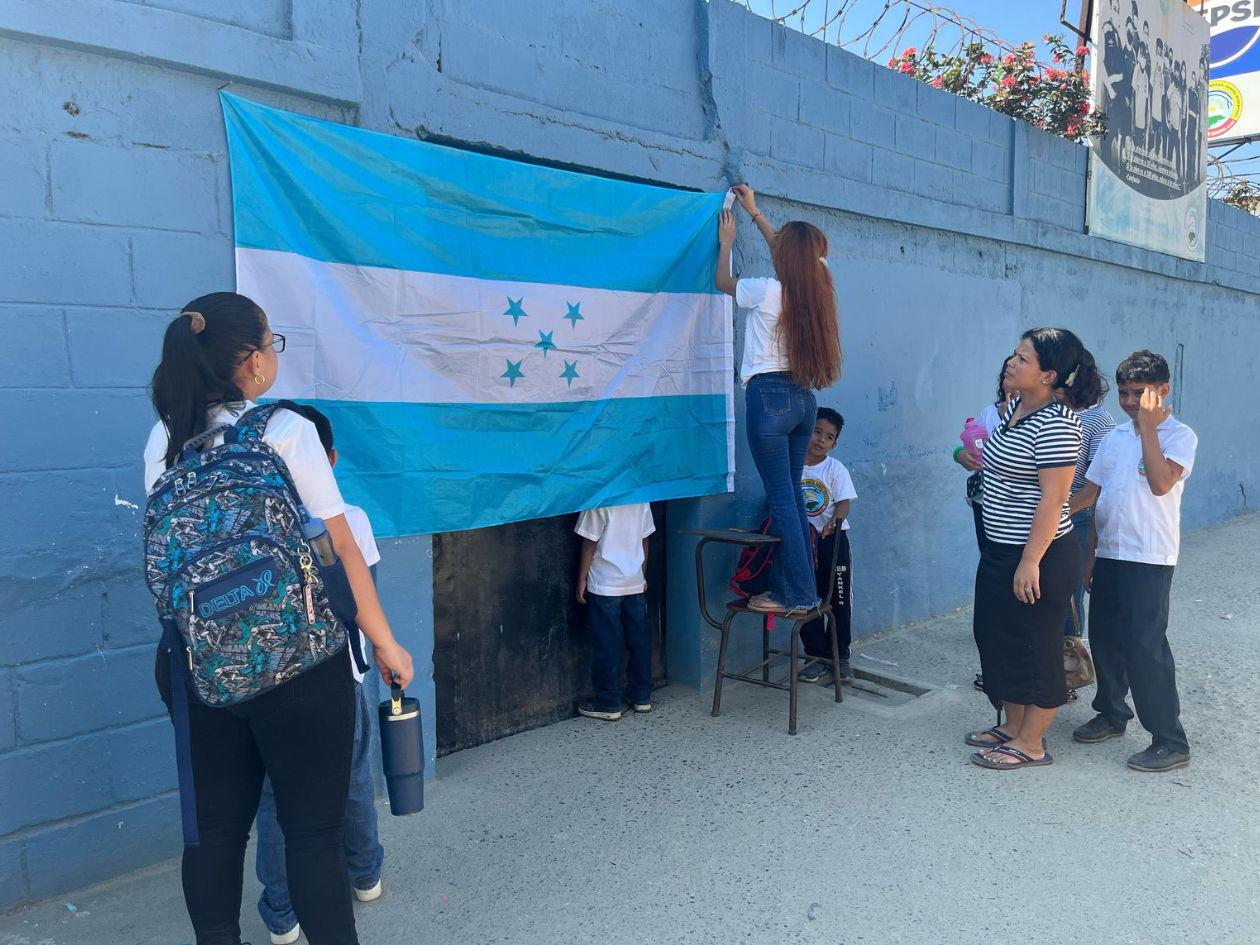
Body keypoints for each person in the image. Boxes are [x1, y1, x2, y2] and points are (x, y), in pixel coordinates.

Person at [145, 292, 413, 945]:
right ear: (252, 361)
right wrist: (385, 643)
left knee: (212, 836)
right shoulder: (286, 431)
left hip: (199, 666)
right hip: (300, 664)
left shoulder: (162, 439)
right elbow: (344, 549)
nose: (274, 355)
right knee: (313, 837)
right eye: (272, 343)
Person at [253, 405, 385, 945]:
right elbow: (362, 598)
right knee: (353, 777)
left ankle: (282, 914)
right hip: (343, 676)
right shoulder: (349, 519)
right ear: (328, 459)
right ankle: (365, 873)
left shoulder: (252, 521)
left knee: (272, 796)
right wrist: (387, 649)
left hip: (266, 683)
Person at [965, 328, 1097, 771]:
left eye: (1023, 359)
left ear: (1049, 375)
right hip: (1000, 548)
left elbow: (1053, 499)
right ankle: (1013, 726)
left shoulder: (1058, 424)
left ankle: (1033, 743)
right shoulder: (1015, 410)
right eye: (1014, 355)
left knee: (1034, 645)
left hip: (1040, 556)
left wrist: (1029, 561)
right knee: (995, 635)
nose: (1011, 362)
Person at [716, 184, 842, 617]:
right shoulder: (816, 292)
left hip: (768, 398)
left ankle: (799, 594)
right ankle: (795, 589)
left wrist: (727, 245)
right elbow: (784, 251)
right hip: (801, 401)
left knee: (783, 501)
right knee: (788, 498)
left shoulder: (766, 290)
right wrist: (755, 212)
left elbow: (721, 282)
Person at [1068, 351, 1198, 773]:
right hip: (1109, 553)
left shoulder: (1180, 436)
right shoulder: (1113, 439)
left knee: (1146, 646)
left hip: (1150, 558)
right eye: (1123, 393)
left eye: (1138, 394)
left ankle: (1169, 739)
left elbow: (1161, 484)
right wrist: (1056, 517)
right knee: (1105, 638)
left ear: (1163, 392)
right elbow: (1091, 494)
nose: (1128, 401)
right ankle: (1111, 712)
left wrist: (1148, 428)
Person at [574, 504, 656, 721]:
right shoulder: (642, 499)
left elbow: (589, 541)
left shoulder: (599, 501)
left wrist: (581, 578)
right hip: (634, 581)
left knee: (606, 642)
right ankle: (642, 697)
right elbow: (645, 539)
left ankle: (608, 702)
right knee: (639, 640)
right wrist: (642, 575)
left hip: (605, 582)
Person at [797, 408, 858, 685]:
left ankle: (840, 656)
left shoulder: (835, 469)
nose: (821, 440)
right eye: (817, 431)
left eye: (829, 437)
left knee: (838, 600)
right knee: (806, 599)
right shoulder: (792, 464)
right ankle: (815, 656)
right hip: (801, 541)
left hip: (832, 542)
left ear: (835, 443)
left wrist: (836, 519)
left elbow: (844, 501)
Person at [1057, 352, 1115, 640]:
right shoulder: (1046, 414)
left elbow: (1095, 488)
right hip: (1037, 519)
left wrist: (1055, 513)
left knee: (1068, 595)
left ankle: (1070, 672)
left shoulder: (1099, 421)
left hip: (1074, 521)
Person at [953, 356, 1016, 554]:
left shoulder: (1039, 416)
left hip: (1016, 504)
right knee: (989, 554)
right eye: (1008, 377)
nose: (1011, 384)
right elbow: (968, 447)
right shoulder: (988, 413)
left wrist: (1011, 416)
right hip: (985, 498)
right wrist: (960, 455)